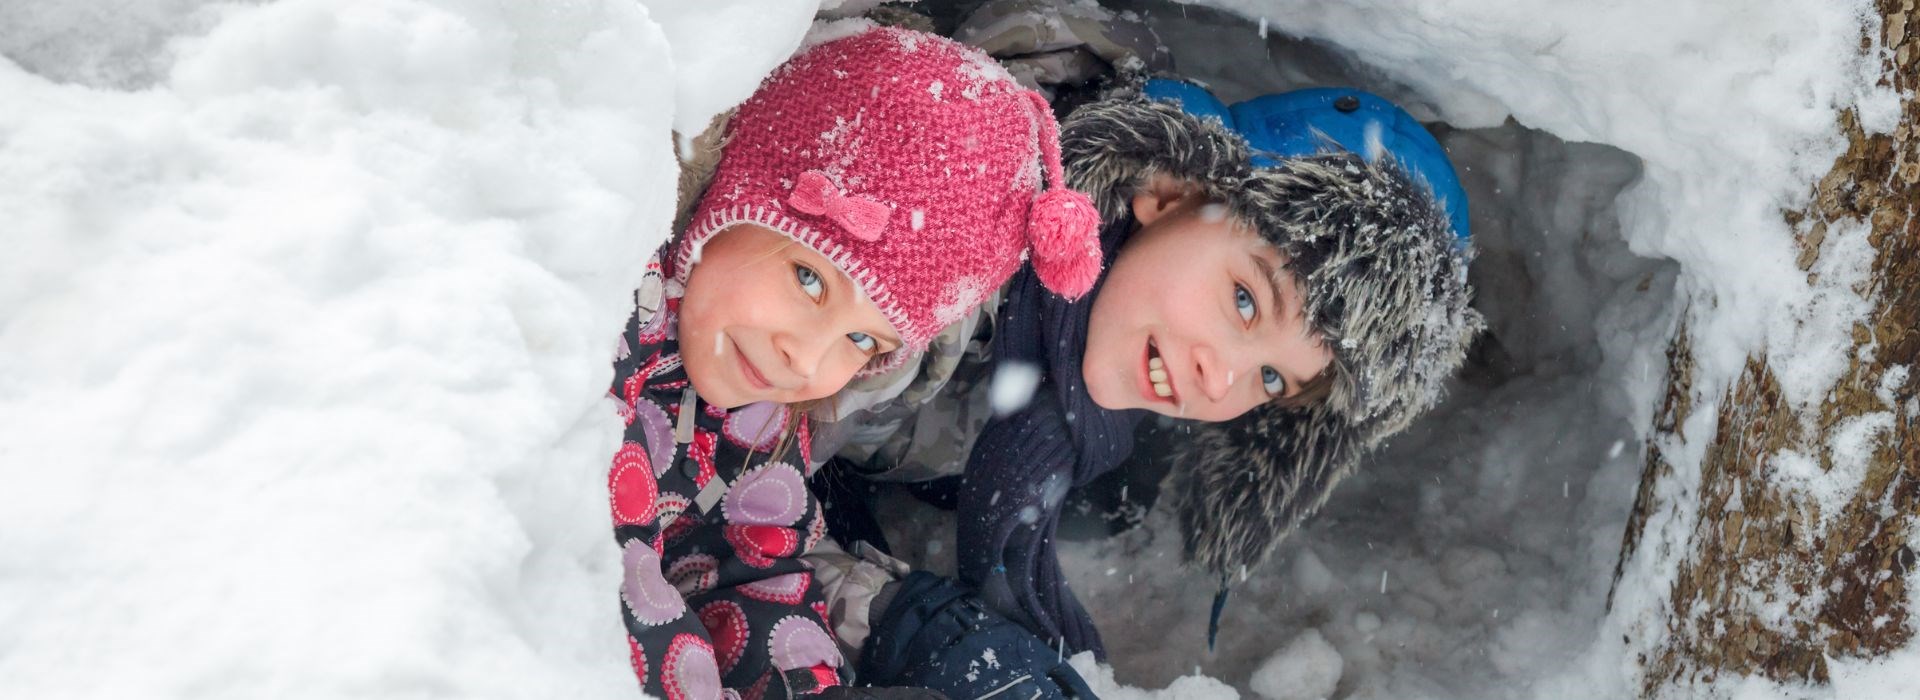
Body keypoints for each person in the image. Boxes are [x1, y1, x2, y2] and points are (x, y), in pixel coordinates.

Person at [800, 2, 1485, 697]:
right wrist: (911, 623)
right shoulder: (941, 236)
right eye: (1245, 301)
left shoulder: (1094, 398)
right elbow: (709, 490)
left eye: (1273, 379)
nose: (1219, 380)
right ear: (1168, 190)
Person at [605, 23, 1103, 700]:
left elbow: (744, 569)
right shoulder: (603, 318)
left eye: (863, 341)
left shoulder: (758, 413)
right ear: (733, 198)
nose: (806, 358)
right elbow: (600, 589)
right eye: (809, 279)